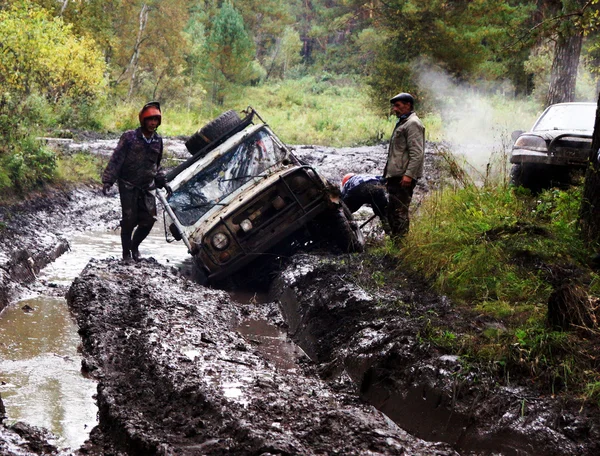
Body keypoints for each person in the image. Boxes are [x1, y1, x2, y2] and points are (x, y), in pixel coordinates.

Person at [102, 101, 171, 262]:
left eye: (156, 120)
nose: (153, 123)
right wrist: (108, 180)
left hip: (147, 186)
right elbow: (116, 159)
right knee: (129, 219)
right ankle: (126, 254)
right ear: (143, 120)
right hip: (128, 184)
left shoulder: (157, 141)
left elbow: (156, 164)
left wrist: (163, 181)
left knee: (149, 220)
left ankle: (134, 246)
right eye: (150, 119)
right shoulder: (129, 137)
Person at [383, 92, 425, 239]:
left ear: (408, 105)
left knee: (399, 211)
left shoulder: (413, 123)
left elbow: (417, 153)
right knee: (392, 210)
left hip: (403, 176)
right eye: (394, 106)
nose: (395, 109)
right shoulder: (403, 122)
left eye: (398, 106)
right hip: (396, 175)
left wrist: (409, 175)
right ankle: (396, 242)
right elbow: (395, 153)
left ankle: (401, 245)